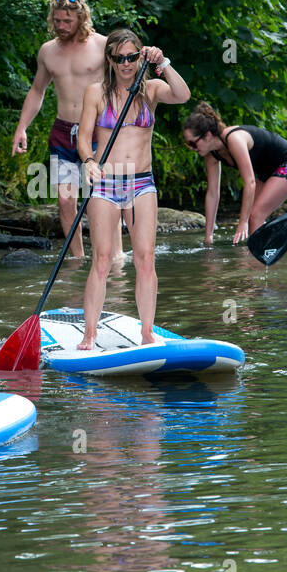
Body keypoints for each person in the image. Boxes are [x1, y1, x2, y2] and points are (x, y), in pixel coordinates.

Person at [75, 29, 190, 349]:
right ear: (109, 60)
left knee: (145, 258)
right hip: (106, 182)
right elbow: (84, 137)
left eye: (131, 57)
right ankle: (90, 333)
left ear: (141, 56)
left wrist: (163, 63)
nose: (125, 64)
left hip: (142, 182)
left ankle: (147, 332)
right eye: (118, 58)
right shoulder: (95, 92)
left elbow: (183, 95)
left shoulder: (151, 89)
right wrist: (87, 161)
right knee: (101, 259)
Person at [12, 0, 124, 259]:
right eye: (57, 20)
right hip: (63, 133)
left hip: (98, 132)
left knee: (102, 197)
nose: (61, 26)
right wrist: (22, 127)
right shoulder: (48, 51)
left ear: (81, 18)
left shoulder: (103, 45)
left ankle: (116, 256)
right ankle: (78, 259)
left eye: (67, 20)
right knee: (65, 201)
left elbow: (124, 83)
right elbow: (37, 91)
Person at [182, 102, 287, 246]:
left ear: (208, 135)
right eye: (187, 144)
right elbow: (212, 193)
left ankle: (255, 262)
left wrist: (243, 222)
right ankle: (270, 248)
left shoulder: (234, 139)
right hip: (268, 172)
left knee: (255, 216)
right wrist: (208, 236)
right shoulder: (211, 155)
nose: (191, 148)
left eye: (192, 143)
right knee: (255, 219)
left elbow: (250, 182)